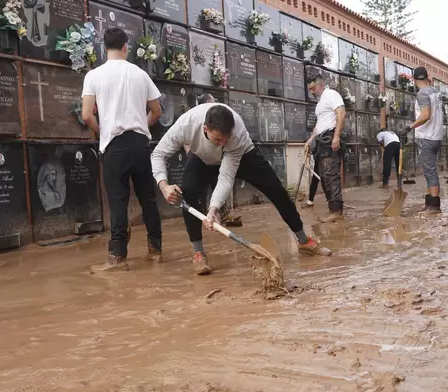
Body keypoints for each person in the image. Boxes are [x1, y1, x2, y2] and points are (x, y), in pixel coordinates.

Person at [152, 103, 332, 275]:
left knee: (277, 191)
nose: (222, 143)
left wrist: (213, 208)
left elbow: (225, 177)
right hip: (201, 156)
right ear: (205, 129)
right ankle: (198, 253)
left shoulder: (236, 135)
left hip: (243, 154)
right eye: (217, 139)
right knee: (189, 192)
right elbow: (158, 154)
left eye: (225, 138)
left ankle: (304, 241)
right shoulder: (186, 125)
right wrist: (163, 184)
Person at [81, 27, 163, 273]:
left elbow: (86, 115)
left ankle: (118, 258)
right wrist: (141, 127)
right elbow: (157, 111)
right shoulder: (140, 74)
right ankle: (155, 250)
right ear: (126, 46)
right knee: (148, 198)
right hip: (139, 144)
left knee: (118, 201)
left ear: (104, 48)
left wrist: (102, 130)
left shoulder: (94, 76)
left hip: (113, 145)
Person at [304, 75, 346, 222]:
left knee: (331, 175)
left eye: (313, 88)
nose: (312, 92)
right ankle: (333, 209)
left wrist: (336, 136)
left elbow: (341, 113)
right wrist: (310, 140)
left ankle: (336, 210)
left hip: (330, 138)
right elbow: (319, 125)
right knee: (323, 176)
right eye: (310, 89)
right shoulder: (320, 103)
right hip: (321, 140)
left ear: (321, 85)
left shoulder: (331, 95)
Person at [405, 67, 444, 214]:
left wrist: (409, 127)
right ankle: (429, 203)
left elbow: (426, 115)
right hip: (437, 136)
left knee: (430, 172)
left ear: (413, 79)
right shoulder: (435, 92)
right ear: (427, 77)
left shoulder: (422, 94)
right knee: (430, 171)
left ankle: (434, 206)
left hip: (427, 137)